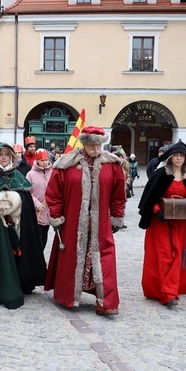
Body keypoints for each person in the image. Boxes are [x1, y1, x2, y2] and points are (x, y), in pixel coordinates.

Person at [45, 127, 126, 316]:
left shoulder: (112, 165)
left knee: (104, 258)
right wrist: (56, 216)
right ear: (84, 143)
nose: (95, 148)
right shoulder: (67, 164)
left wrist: (116, 215)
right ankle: (68, 296)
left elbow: (118, 195)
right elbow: (54, 193)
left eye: (98, 144)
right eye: (91, 144)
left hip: (101, 224)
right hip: (73, 222)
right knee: (72, 257)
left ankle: (106, 302)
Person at [0, 142, 46, 309]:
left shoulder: (18, 176)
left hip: (18, 226)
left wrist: (16, 205)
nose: (4, 158)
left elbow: (26, 202)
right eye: (0, 155)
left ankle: (22, 281)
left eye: (7, 155)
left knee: (19, 253)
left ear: (12, 157)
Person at [138, 142, 186, 307]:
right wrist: (157, 211)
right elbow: (149, 198)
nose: (178, 158)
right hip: (159, 222)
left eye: (181, 156)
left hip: (179, 223)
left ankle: (171, 288)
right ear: (170, 158)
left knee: (177, 253)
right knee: (164, 255)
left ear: (185, 159)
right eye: (176, 155)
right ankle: (167, 294)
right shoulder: (160, 174)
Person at [26, 149, 52, 251]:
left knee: (45, 236)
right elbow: (28, 192)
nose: (45, 162)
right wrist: (36, 203)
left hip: (48, 210)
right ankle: (38, 259)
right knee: (38, 237)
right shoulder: (30, 174)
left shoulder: (53, 172)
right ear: (37, 161)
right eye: (42, 160)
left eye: (46, 160)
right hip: (36, 211)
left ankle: (40, 257)